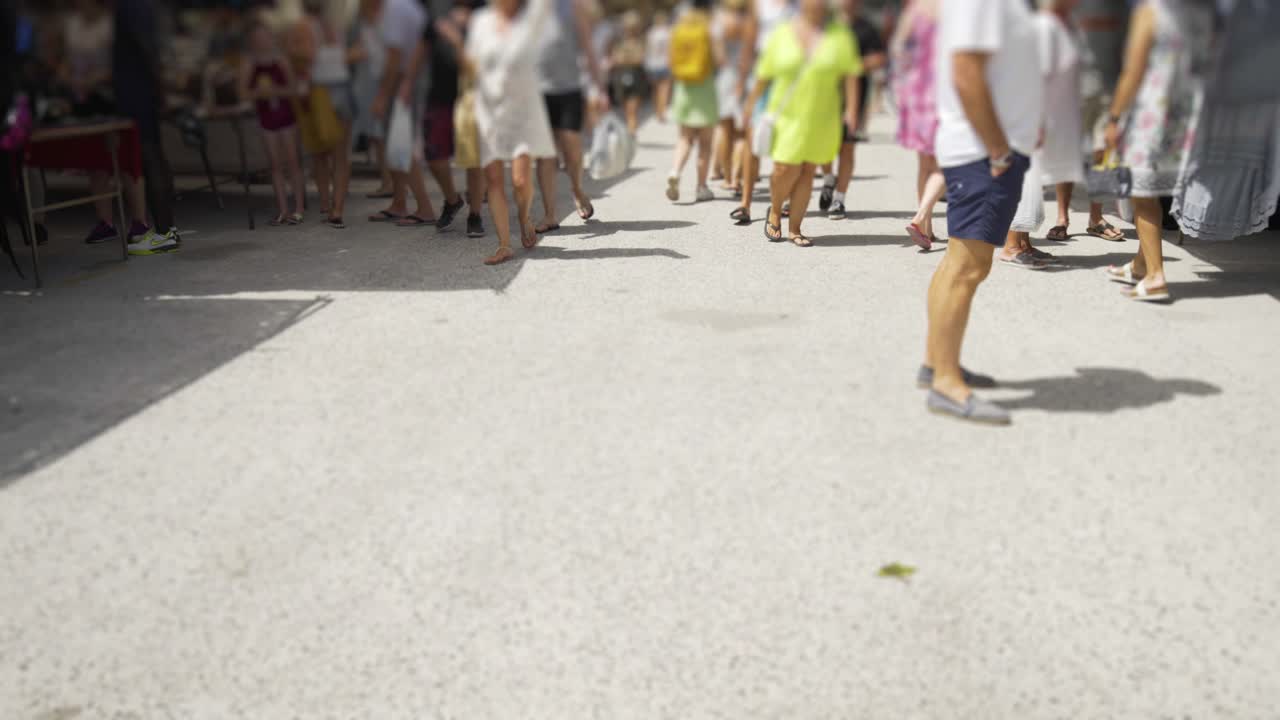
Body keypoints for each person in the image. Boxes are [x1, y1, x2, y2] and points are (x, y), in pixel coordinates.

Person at [921, 0, 1040, 425]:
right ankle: (947, 386)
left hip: (984, 151)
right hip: (983, 155)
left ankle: (937, 364)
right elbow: (966, 69)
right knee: (968, 268)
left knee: (957, 262)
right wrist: (999, 149)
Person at [1103, 0, 1213, 301]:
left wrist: (1113, 118)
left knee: (1143, 194)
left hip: (1152, 114)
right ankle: (1141, 265)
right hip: (1186, 115)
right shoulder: (1202, 15)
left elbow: (1133, 72)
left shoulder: (1151, 12)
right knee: (1155, 190)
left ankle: (1155, 276)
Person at [742, 0, 861, 247]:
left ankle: (795, 228)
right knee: (784, 168)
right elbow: (764, 73)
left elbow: (851, 74)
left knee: (808, 170)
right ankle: (775, 210)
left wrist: (851, 110)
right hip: (786, 115)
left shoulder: (840, 35)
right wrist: (750, 104)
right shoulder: (782, 33)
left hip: (822, 115)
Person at [463, 0, 557, 265]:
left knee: (519, 180)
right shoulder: (481, 22)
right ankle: (504, 244)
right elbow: (472, 64)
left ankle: (524, 216)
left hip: (523, 113)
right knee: (493, 179)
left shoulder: (531, 20)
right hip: (489, 110)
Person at [999, 0, 1084, 269]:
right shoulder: (1045, 26)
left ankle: (1023, 242)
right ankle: (1011, 245)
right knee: (1026, 180)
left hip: (1047, 115)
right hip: (1035, 115)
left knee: (1033, 182)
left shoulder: (1059, 26)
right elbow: (1036, 75)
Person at [534, 0, 608, 235]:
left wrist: (600, 88)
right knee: (545, 154)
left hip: (569, 90)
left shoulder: (573, 6)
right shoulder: (525, 8)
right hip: (536, 92)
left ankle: (577, 189)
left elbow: (587, 47)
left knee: (572, 149)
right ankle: (549, 215)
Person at [113, 0, 180, 255]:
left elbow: (146, 48)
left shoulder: (131, 6)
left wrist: (159, 90)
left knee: (149, 157)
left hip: (137, 91)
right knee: (153, 156)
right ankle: (167, 229)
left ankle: (164, 232)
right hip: (140, 89)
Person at [364, 0, 437, 228]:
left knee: (401, 144)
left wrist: (383, 95)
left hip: (403, 82)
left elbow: (395, 58)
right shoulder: (400, 6)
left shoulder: (395, 8)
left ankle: (424, 207)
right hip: (403, 81)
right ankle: (399, 202)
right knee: (394, 144)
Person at [291, 0, 355, 228]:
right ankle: (334, 207)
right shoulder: (337, 26)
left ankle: (330, 205)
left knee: (321, 152)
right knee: (339, 154)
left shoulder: (302, 26)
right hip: (338, 88)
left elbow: (302, 59)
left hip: (319, 90)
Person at [730, 0, 794, 225]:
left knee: (787, 138)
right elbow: (749, 41)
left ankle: (784, 199)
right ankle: (745, 203)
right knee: (752, 138)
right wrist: (741, 80)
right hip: (763, 77)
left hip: (793, 81)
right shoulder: (760, 4)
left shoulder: (803, 5)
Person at [818, 0, 883, 219]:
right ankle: (828, 178)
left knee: (847, 147)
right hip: (824, 95)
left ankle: (839, 199)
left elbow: (880, 57)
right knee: (823, 145)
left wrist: (853, 65)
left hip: (856, 96)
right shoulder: (825, 25)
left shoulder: (866, 27)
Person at [240, 22, 306, 227]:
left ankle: (299, 208)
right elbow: (242, 92)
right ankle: (283, 209)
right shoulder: (249, 63)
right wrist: (259, 92)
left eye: (265, 37)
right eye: (258, 39)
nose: (262, 42)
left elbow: (293, 88)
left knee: (293, 162)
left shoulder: (281, 60)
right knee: (275, 165)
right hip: (266, 116)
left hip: (286, 115)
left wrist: (274, 90)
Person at [891, 0, 942, 250]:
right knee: (945, 162)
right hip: (944, 90)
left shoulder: (916, 9)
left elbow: (899, 49)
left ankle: (927, 223)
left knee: (925, 163)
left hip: (919, 92)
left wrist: (903, 84)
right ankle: (923, 219)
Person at [1076, 0, 1129, 241]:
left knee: (1101, 154)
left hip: (1108, 90)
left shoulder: (1121, 7)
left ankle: (1095, 217)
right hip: (1072, 88)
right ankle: (1061, 218)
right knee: (1065, 150)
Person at [413, 0, 467, 232]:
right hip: (439, 94)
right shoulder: (437, 10)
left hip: (473, 96)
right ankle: (452, 199)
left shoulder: (484, 9)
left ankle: (476, 214)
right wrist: (407, 85)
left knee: (477, 159)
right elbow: (422, 47)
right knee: (433, 154)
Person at [665, 0, 721, 204]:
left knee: (684, 138)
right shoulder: (710, 28)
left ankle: (675, 171)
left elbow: (670, 62)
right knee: (705, 143)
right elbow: (719, 58)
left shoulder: (680, 26)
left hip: (684, 89)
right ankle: (701, 186)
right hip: (705, 89)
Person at [350, 1, 393, 199]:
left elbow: (371, 53)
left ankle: (389, 183)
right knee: (378, 136)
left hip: (376, 83)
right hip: (370, 82)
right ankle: (388, 182)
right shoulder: (367, 23)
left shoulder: (377, 24)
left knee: (381, 136)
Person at [711, 0, 748, 194]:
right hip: (746, 76)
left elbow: (718, 58)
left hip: (726, 78)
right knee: (742, 132)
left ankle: (726, 177)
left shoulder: (719, 22)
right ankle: (737, 178)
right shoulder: (750, 20)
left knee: (724, 129)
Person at [608, 10, 648, 135]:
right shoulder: (619, 41)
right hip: (627, 75)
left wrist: (624, 58)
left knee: (631, 110)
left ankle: (631, 133)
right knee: (629, 110)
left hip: (631, 75)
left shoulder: (639, 40)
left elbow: (639, 59)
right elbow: (616, 59)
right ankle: (631, 132)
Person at [645, 10, 674, 123]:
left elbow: (648, 50)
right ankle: (662, 113)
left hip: (652, 64)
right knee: (664, 91)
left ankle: (657, 111)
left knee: (655, 90)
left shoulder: (650, 33)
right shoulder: (669, 32)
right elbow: (671, 50)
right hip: (665, 63)